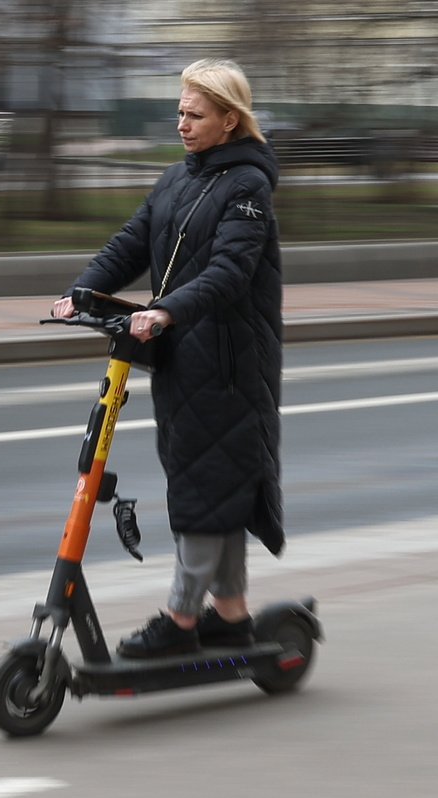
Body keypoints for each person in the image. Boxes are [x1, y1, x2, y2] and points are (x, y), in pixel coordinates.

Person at [51, 58, 285, 659]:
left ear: (229, 120)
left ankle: (182, 618)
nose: (181, 123)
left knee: (204, 485)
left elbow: (229, 272)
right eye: (179, 111)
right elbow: (132, 241)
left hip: (230, 365)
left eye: (195, 114)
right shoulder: (178, 179)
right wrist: (82, 291)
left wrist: (165, 311)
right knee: (211, 483)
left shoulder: (247, 188)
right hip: (186, 358)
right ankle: (229, 615)